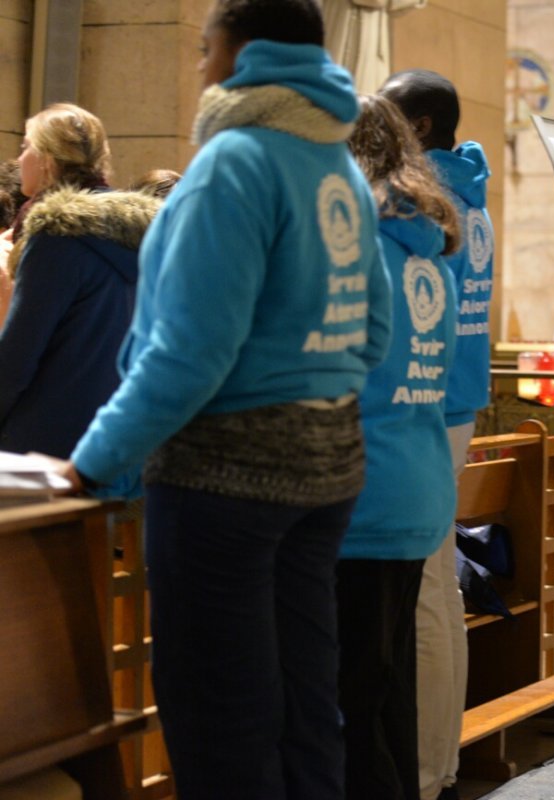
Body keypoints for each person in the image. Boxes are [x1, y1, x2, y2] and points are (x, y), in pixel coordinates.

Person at [58, 1, 392, 796]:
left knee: (221, 715)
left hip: (225, 479)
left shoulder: (235, 161)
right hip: (329, 471)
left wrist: (92, 461)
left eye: (208, 49)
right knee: (307, 704)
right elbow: (374, 330)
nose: (199, 67)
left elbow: (188, 353)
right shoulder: (334, 164)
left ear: (245, 57)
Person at [339, 93, 460, 800]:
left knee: (350, 703)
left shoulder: (364, 249)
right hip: (416, 480)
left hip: (366, 488)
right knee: (386, 693)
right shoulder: (427, 249)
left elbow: (350, 365)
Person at [381, 67, 495, 800]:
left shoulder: (430, 200)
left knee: (425, 590)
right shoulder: (470, 195)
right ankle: (440, 761)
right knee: (440, 590)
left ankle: (425, 772)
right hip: (456, 398)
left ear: (418, 127)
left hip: (426, 400)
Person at [0, 104, 159, 458]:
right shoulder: (147, 235)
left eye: (26, 146)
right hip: (118, 431)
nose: (20, 156)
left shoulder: (55, 236)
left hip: (45, 439)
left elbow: (18, 355)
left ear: (47, 160)